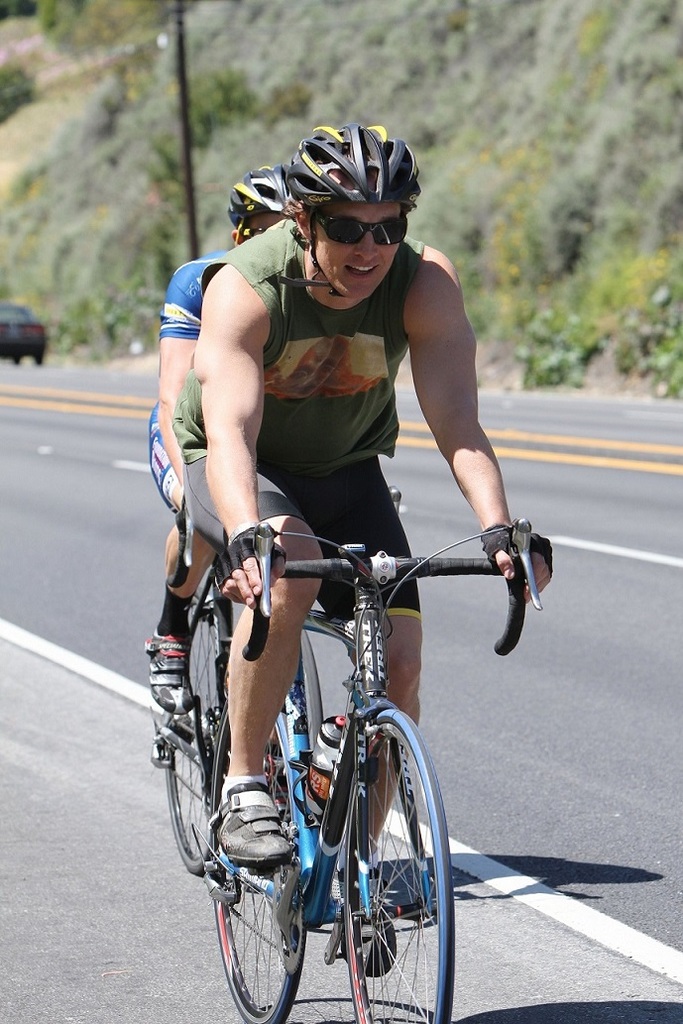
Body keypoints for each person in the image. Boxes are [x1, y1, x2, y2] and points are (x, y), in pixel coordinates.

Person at [173, 123, 553, 870]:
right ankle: (243, 786)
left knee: (402, 662)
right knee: (291, 571)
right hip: (246, 464)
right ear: (304, 221)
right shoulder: (246, 288)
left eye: (389, 228)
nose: (370, 248)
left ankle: (361, 871)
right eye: (347, 227)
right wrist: (248, 531)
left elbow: (459, 423)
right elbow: (231, 434)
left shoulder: (422, 284)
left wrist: (498, 529)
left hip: (348, 471)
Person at [146, 164, 290, 714]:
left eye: (286, 229)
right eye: (263, 230)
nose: (275, 242)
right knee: (205, 519)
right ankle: (171, 629)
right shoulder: (200, 279)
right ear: (240, 236)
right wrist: (192, 491)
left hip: (261, 429)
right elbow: (171, 391)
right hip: (191, 426)